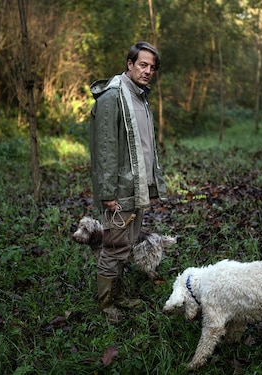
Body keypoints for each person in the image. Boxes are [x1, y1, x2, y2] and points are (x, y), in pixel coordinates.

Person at [89, 41, 167, 320]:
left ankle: (118, 295)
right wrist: (108, 192)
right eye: (142, 64)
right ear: (130, 64)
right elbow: (106, 149)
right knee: (113, 246)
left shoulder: (139, 97)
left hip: (137, 185)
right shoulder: (113, 97)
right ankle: (105, 304)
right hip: (119, 190)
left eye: (152, 67)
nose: (148, 71)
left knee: (126, 244)